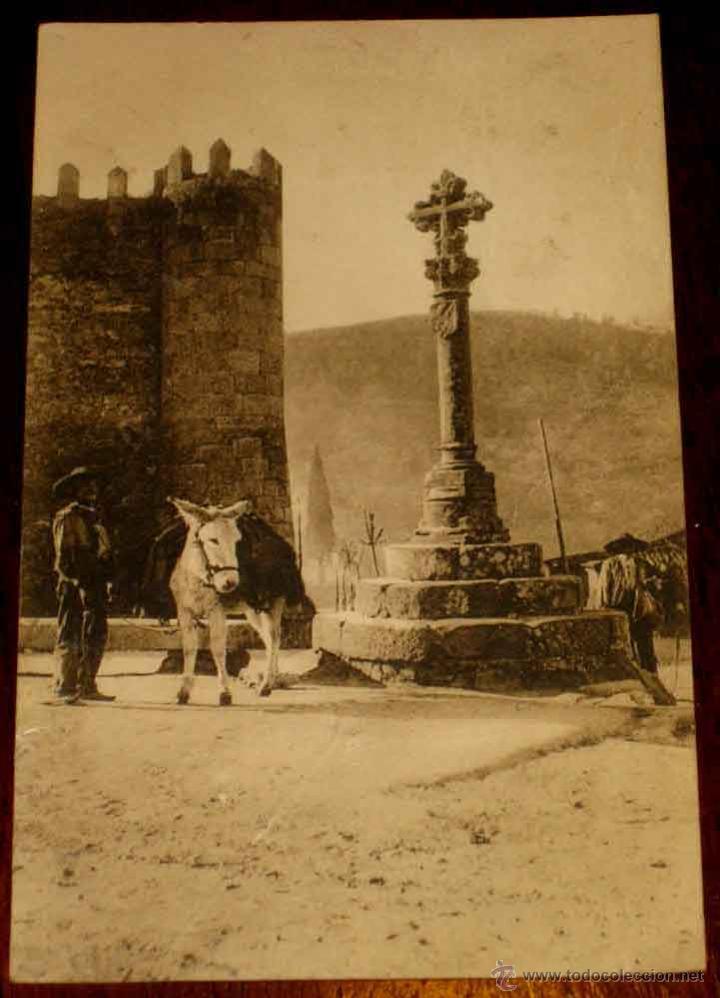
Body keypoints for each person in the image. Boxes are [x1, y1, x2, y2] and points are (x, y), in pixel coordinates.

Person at [49, 467, 116, 703]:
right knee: (71, 630)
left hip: (95, 585)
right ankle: (65, 687)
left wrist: (106, 581)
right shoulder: (68, 517)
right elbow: (64, 557)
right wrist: (75, 581)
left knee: (95, 632)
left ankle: (87, 684)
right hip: (74, 584)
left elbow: (104, 555)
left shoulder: (95, 518)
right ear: (75, 490)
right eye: (85, 486)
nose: (91, 489)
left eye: (94, 485)